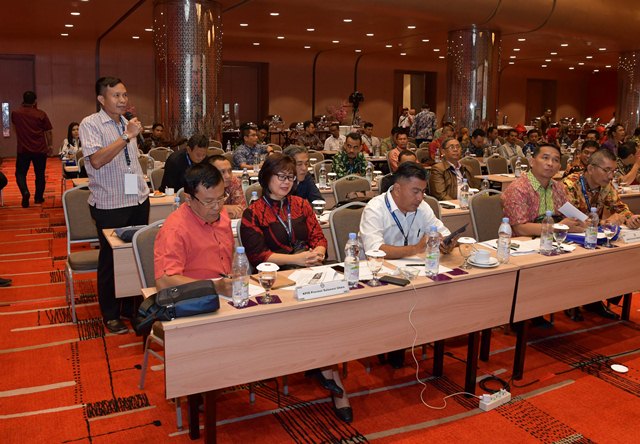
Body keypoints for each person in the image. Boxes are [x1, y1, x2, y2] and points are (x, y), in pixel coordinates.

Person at [240, 154, 352, 423]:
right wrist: (297, 259)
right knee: (316, 316)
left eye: (290, 177)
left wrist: (319, 251)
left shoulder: (301, 205)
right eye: (280, 176)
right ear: (266, 177)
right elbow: (258, 256)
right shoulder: (253, 213)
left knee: (334, 309)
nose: (286, 182)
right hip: (274, 280)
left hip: (309, 272)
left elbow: (318, 236)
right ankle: (331, 376)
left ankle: (323, 366)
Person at [360, 162, 455, 369]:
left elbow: (443, 231)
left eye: (423, 191)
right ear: (397, 189)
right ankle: (393, 344)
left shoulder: (422, 207)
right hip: (378, 274)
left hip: (413, 271)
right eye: (415, 191)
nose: (420, 197)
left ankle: (417, 337)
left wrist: (447, 242)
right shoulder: (375, 208)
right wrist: (416, 248)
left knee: (443, 292)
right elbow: (374, 250)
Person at [78, 76, 150, 334]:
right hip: (110, 203)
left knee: (135, 256)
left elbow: (131, 162)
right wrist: (126, 136)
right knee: (111, 260)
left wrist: (129, 132)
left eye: (124, 95)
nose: (122, 100)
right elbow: (97, 161)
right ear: (101, 99)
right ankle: (110, 313)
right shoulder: (91, 124)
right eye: (116, 95)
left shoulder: (126, 122)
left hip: (136, 198)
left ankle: (131, 308)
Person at [562, 148, 640, 320]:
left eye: (613, 171)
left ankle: (596, 298)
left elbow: (620, 207)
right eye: (607, 170)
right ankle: (571, 302)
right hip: (570, 237)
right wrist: (604, 223)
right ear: (591, 169)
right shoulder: (570, 184)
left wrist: (630, 218)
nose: (611, 176)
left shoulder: (606, 186)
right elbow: (572, 219)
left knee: (620, 255)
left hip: (592, 235)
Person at [154, 163, 233, 292]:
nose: (217, 207)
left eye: (221, 198)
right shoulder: (175, 230)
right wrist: (214, 287)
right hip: (194, 296)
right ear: (188, 199)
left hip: (227, 292)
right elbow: (164, 282)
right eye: (208, 201)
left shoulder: (222, 215)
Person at [502, 144, 584, 237]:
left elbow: (571, 215)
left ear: (559, 167)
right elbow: (520, 229)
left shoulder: (558, 187)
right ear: (532, 162)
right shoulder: (518, 188)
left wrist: (582, 222)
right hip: (522, 242)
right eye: (545, 158)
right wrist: (558, 227)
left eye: (555, 160)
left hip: (553, 240)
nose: (550, 163)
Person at [11, 90, 53, 208]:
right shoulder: (41, 114)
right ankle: (38, 198)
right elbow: (48, 132)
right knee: (39, 174)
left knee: (20, 173)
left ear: (23, 100)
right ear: (35, 101)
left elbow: (15, 127)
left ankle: (25, 192)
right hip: (40, 149)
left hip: (23, 150)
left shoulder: (16, 113)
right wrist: (50, 146)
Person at [207, 154, 247, 219]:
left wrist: (220, 212)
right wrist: (224, 208)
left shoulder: (234, 182)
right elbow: (202, 213)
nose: (228, 176)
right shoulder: (202, 187)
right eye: (222, 172)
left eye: (230, 171)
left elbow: (241, 210)